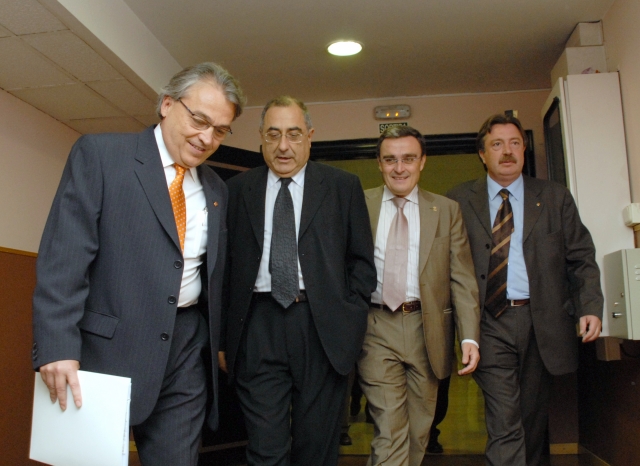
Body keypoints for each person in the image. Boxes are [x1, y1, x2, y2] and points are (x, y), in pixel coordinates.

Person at [32, 62, 244, 465]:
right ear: (167, 104)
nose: (206, 138)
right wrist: (56, 347)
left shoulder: (216, 189)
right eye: (199, 120)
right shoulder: (101, 155)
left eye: (220, 130)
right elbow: (64, 259)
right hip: (104, 351)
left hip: (185, 351)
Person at [220, 96, 377, 466]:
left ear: (310, 136)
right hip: (257, 326)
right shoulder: (237, 190)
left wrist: (348, 320)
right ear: (261, 137)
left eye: (293, 134)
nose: (283, 146)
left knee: (316, 448)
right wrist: (225, 338)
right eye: (273, 134)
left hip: (321, 328)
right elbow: (224, 268)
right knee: (265, 448)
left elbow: (361, 263)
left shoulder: (342, 187)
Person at [447, 114, 603, 466]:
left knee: (530, 417)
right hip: (487, 322)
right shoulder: (458, 200)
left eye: (514, 143)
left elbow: (581, 257)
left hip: (542, 322)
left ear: (524, 149)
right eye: (497, 144)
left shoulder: (554, 197)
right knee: (505, 417)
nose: (507, 151)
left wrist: (590, 306)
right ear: (482, 154)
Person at [358, 125, 481, 466]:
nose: (399, 168)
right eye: (390, 160)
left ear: (422, 161)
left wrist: (469, 336)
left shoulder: (446, 210)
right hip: (375, 327)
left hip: (427, 331)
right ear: (379, 163)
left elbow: (462, 278)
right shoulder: (359, 204)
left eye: (408, 159)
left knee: (418, 433)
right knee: (390, 430)